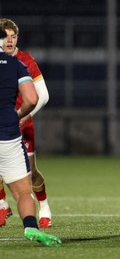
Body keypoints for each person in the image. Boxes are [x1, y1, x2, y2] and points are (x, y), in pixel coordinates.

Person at [0, 26, 61, 247]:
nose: (10, 40)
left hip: (20, 125)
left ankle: (44, 207)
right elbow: (33, 97)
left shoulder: (24, 60)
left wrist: (23, 117)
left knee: (31, 174)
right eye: (5, 36)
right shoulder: (14, 65)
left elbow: (42, 96)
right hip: (8, 127)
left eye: (13, 36)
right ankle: (4, 206)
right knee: (17, 182)